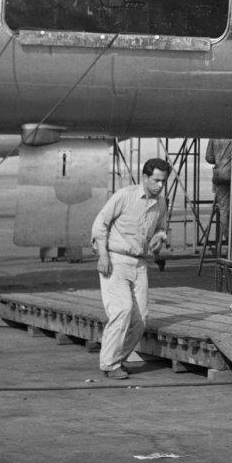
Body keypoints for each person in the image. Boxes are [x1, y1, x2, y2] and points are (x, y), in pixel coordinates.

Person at [90, 157, 172, 380]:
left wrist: (160, 237)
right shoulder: (124, 196)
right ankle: (109, 363)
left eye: (163, 181)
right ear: (145, 177)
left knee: (140, 318)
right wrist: (103, 255)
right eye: (156, 180)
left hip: (140, 263)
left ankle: (117, 359)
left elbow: (161, 227)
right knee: (122, 310)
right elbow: (100, 224)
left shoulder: (161, 203)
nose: (160, 185)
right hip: (115, 260)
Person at [204, 136, 232, 246]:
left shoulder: (215, 135)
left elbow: (209, 158)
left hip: (219, 175)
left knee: (224, 209)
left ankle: (228, 237)